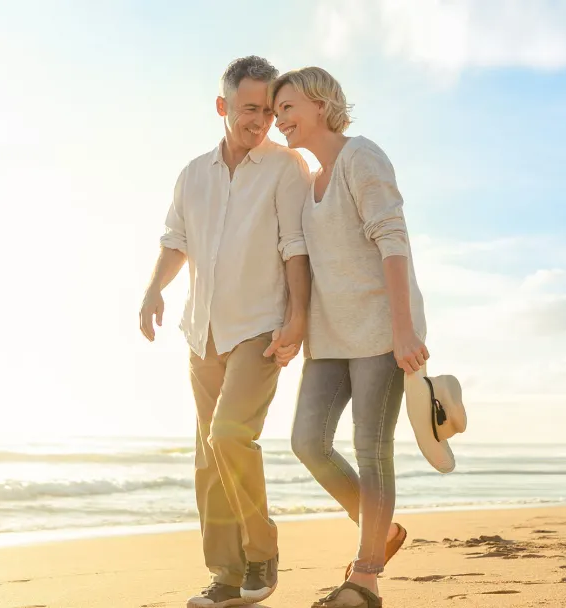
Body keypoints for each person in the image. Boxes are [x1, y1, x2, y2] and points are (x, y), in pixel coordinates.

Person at [138, 55, 312, 607]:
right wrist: (153, 288)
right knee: (208, 460)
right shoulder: (193, 174)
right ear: (223, 107)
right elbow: (175, 239)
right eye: (248, 109)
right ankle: (227, 576)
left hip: (260, 328)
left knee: (229, 436)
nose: (259, 121)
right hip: (202, 332)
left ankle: (263, 550)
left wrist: (298, 318)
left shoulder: (287, 168)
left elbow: (295, 247)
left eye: (266, 111)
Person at [270, 66, 429, 608]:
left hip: (381, 334)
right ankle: (379, 530)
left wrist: (404, 329)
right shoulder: (309, 180)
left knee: (371, 449)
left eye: (288, 107)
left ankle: (365, 578)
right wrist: (295, 325)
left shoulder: (362, 156)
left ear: (320, 103)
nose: (279, 120)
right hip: (329, 338)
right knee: (307, 443)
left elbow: (393, 241)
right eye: (276, 111)